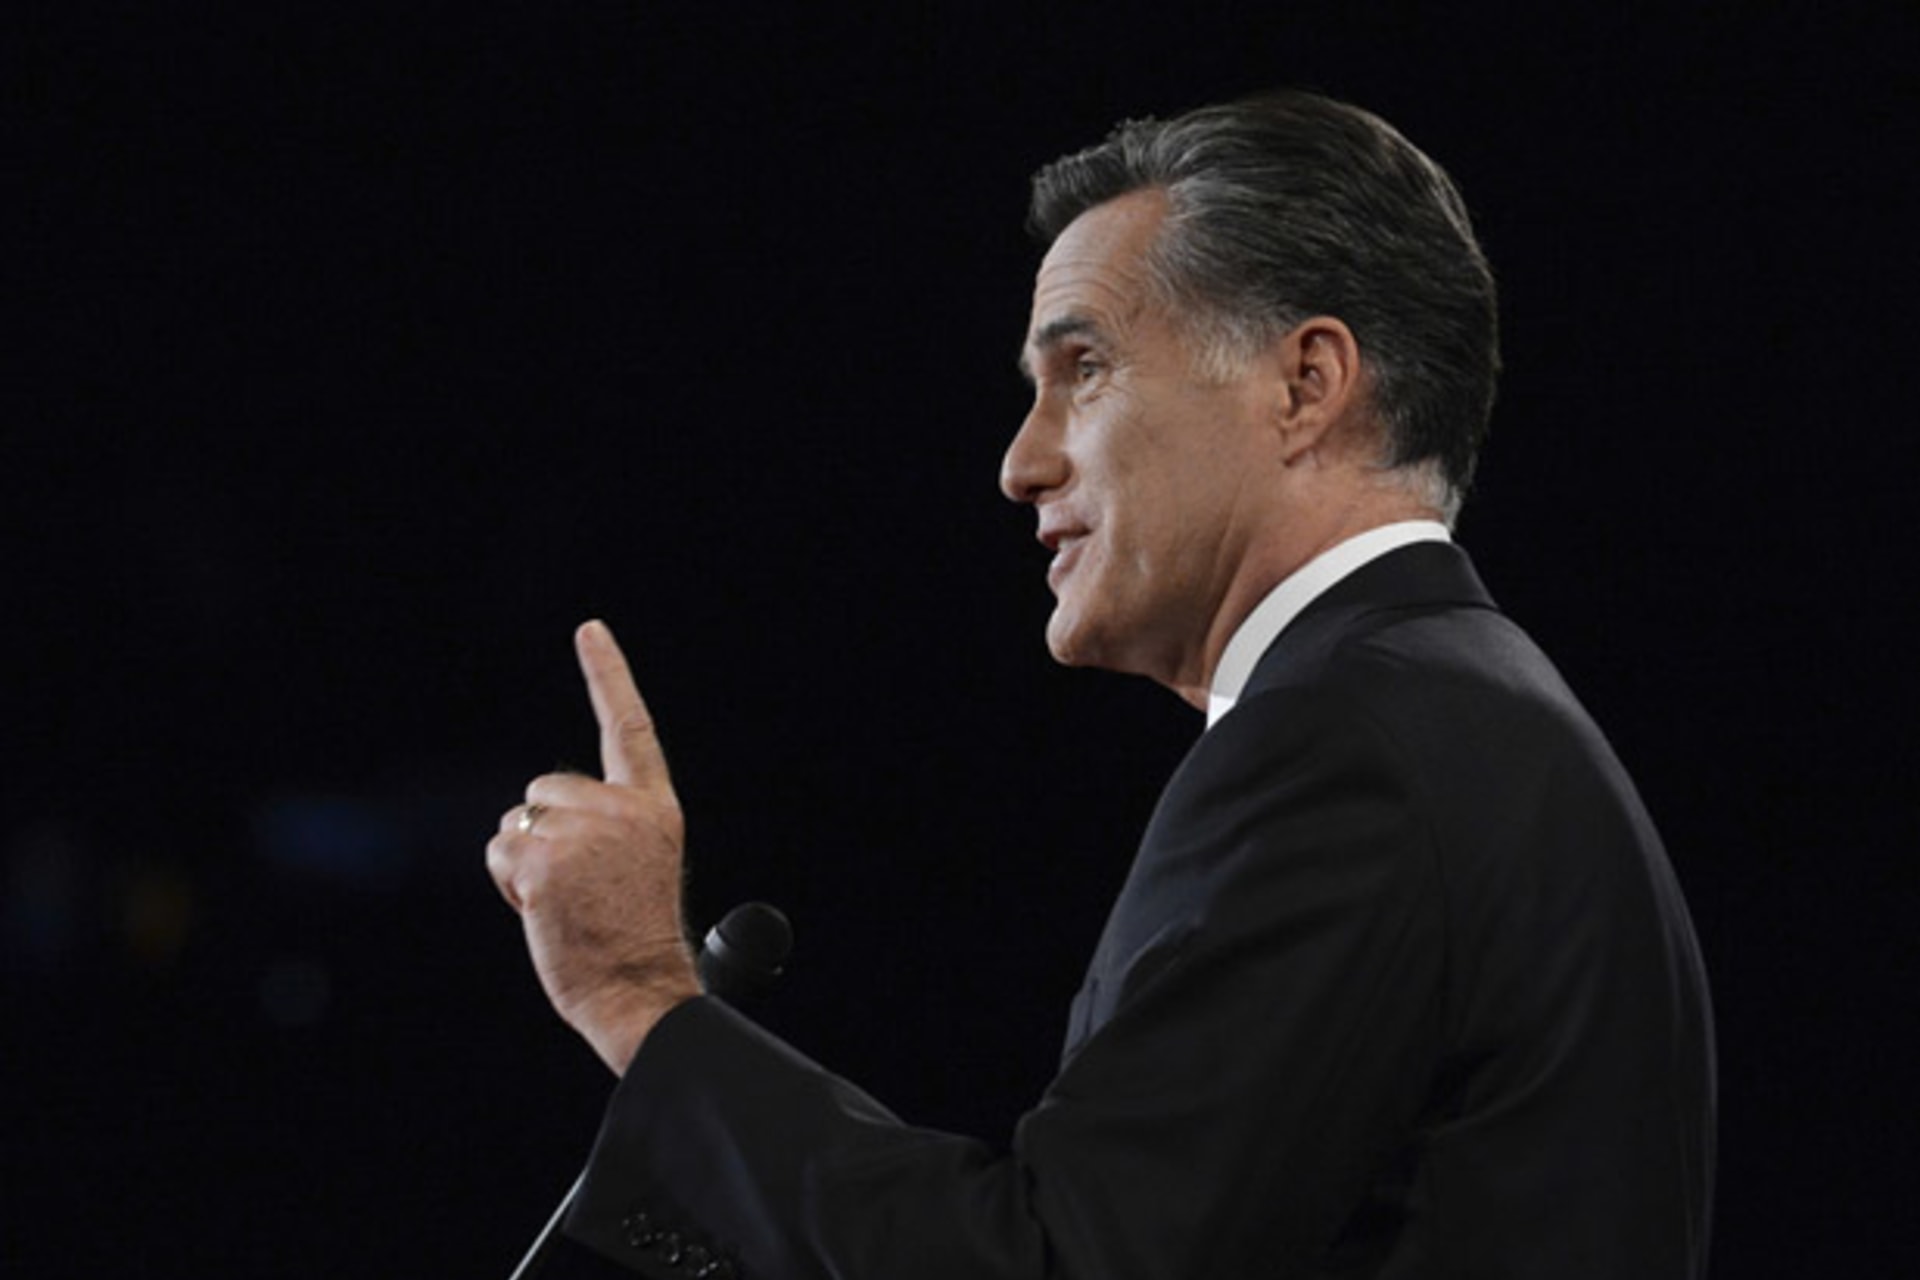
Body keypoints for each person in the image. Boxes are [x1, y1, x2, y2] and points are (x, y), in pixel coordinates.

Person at [488, 91, 1715, 1279]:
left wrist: (639, 993)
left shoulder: (1347, 749)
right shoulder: (1459, 708)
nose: (1023, 461)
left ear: (1304, 385)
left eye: (1084, 368)